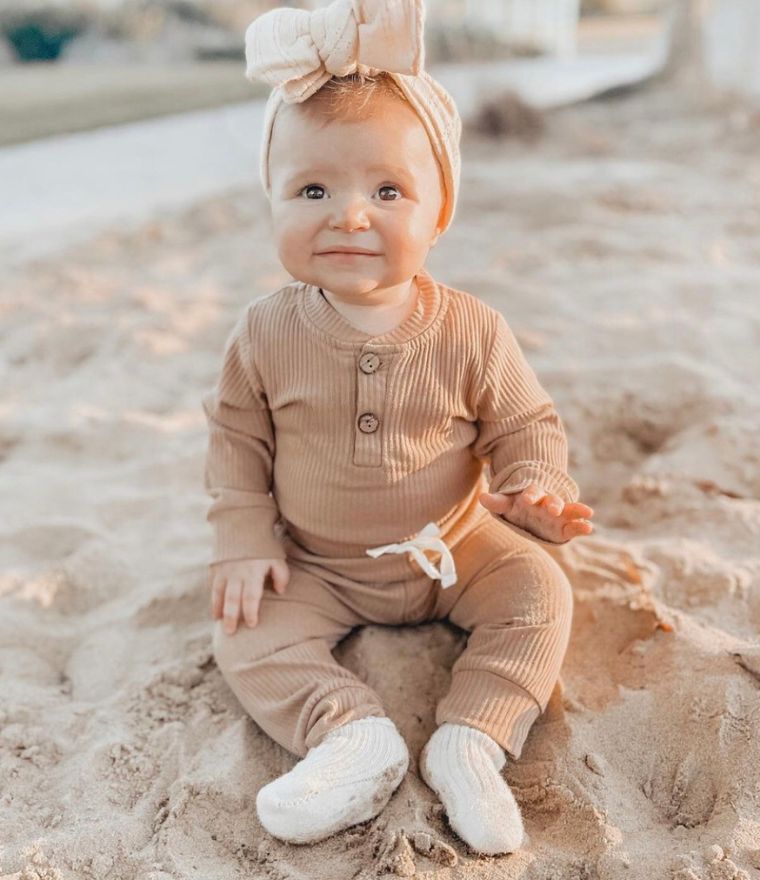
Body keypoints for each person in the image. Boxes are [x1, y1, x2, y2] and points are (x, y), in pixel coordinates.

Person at [202, 0, 595, 856]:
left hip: (452, 545)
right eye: (313, 190)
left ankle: (472, 740)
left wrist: (536, 489)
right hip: (317, 561)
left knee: (540, 594)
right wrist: (243, 537)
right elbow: (237, 441)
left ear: (439, 211)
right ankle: (350, 736)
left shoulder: (472, 329)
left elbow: (525, 422)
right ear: (270, 200)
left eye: (388, 191)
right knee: (242, 627)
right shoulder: (265, 333)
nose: (350, 215)